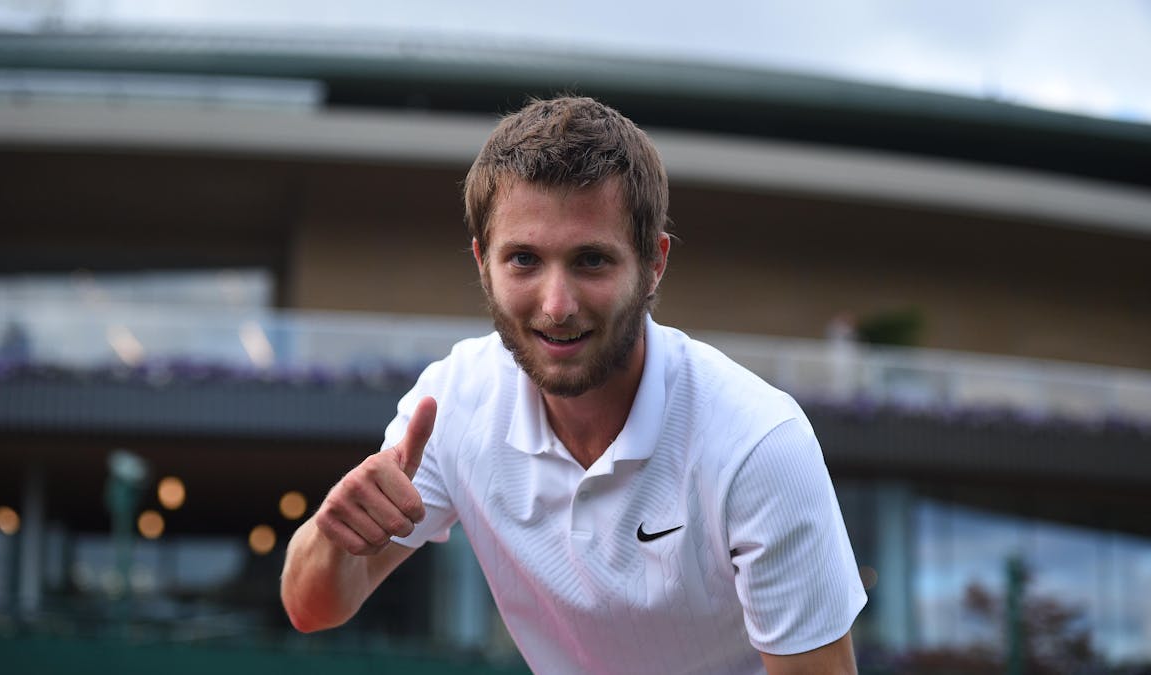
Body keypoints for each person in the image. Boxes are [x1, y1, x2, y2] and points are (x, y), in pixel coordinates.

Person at [281, 96, 866, 674]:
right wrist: (333, 536)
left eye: (591, 260)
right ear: (482, 262)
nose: (557, 306)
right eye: (524, 260)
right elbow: (312, 608)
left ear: (654, 263)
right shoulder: (454, 401)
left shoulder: (759, 444)